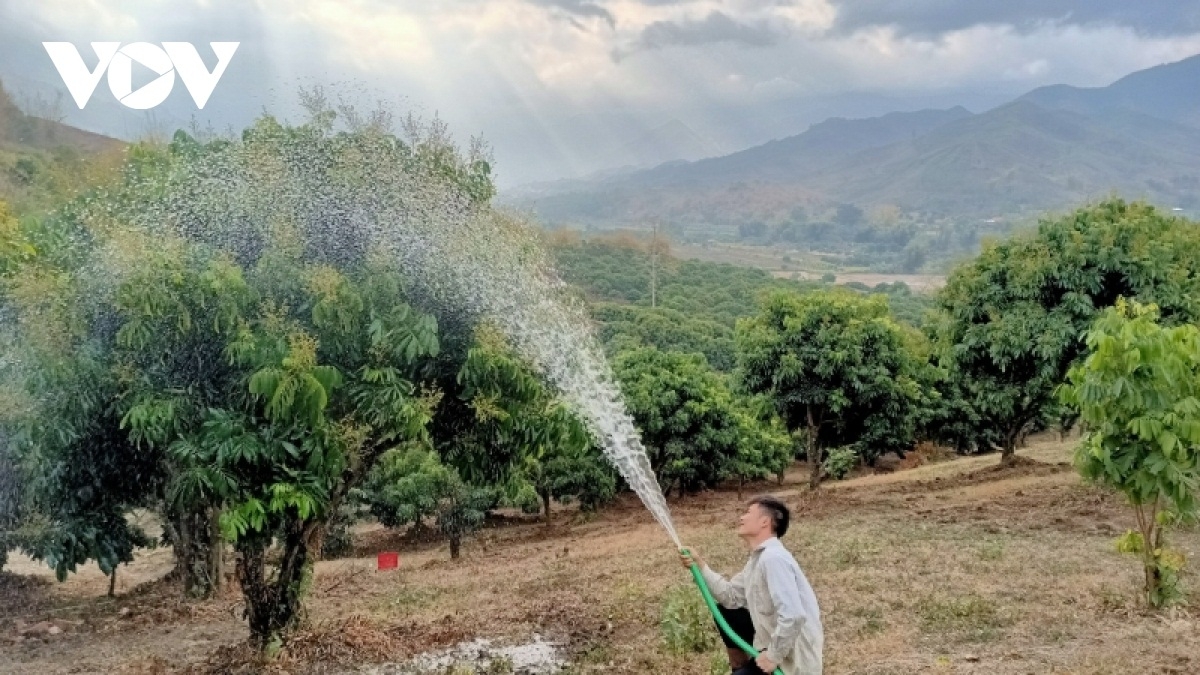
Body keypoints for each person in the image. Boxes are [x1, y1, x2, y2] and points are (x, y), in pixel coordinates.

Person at [680, 495, 823, 675]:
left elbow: (793, 615)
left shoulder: (773, 559)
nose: (741, 517)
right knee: (728, 612)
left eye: (748, 513)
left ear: (765, 522)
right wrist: (700, 564)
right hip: (769, 649)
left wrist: (773, 656)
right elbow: (730, 597)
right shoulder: (759, 560)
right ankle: (742, 668)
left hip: (792, 664)